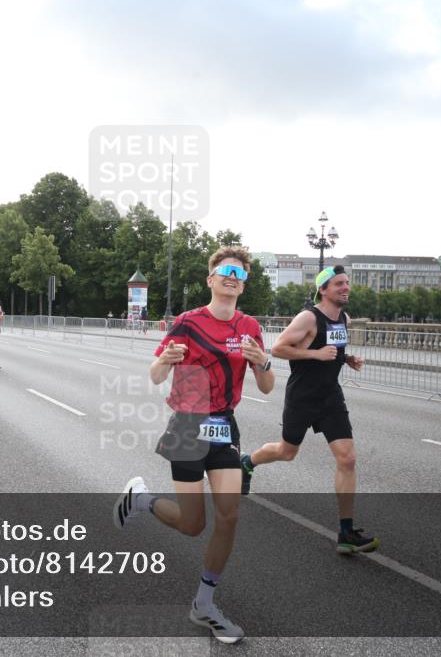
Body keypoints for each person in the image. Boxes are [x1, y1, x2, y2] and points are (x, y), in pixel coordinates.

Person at [114, 245, 275, 644]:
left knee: (229, 516)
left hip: (223, 426)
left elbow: (268, 387)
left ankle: (204, 605)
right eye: (225, 271)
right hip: (187, 426)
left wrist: (263, 362)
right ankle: (142, 499)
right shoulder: (187, 322)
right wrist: (166, 359)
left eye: (239, 274)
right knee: (192, 524)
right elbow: (154, 376)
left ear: (243, 284)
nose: (232, 277)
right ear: (211, 279)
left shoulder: (250, 327)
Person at [240, 265, 377, 554]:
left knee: (347, 458)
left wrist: (346, 358)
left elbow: (333, 352)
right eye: (339, 283)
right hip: (302, 397)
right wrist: (315, 353)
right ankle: (247, 463)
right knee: (287, 452)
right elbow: (277, 348)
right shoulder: (308, 317)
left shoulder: (343, 318)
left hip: (330, 398)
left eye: (347, 283)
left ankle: (346, 532)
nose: (345, 287)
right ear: (323, 289)